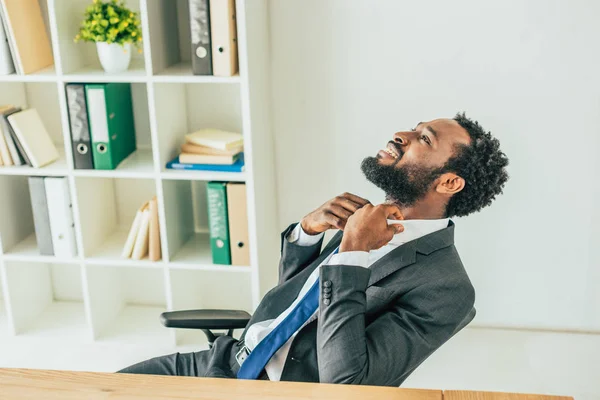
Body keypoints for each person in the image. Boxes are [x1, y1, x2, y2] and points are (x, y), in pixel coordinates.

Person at [120, 112, 509, 386]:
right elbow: (296, 306)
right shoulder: (366, 219)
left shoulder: (448, 289)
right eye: (414, 127)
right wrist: (306, 233)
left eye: (424, 139)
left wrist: (352, 255)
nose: (400, 135)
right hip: (221, 360)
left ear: (449, 184)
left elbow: (345, 383)